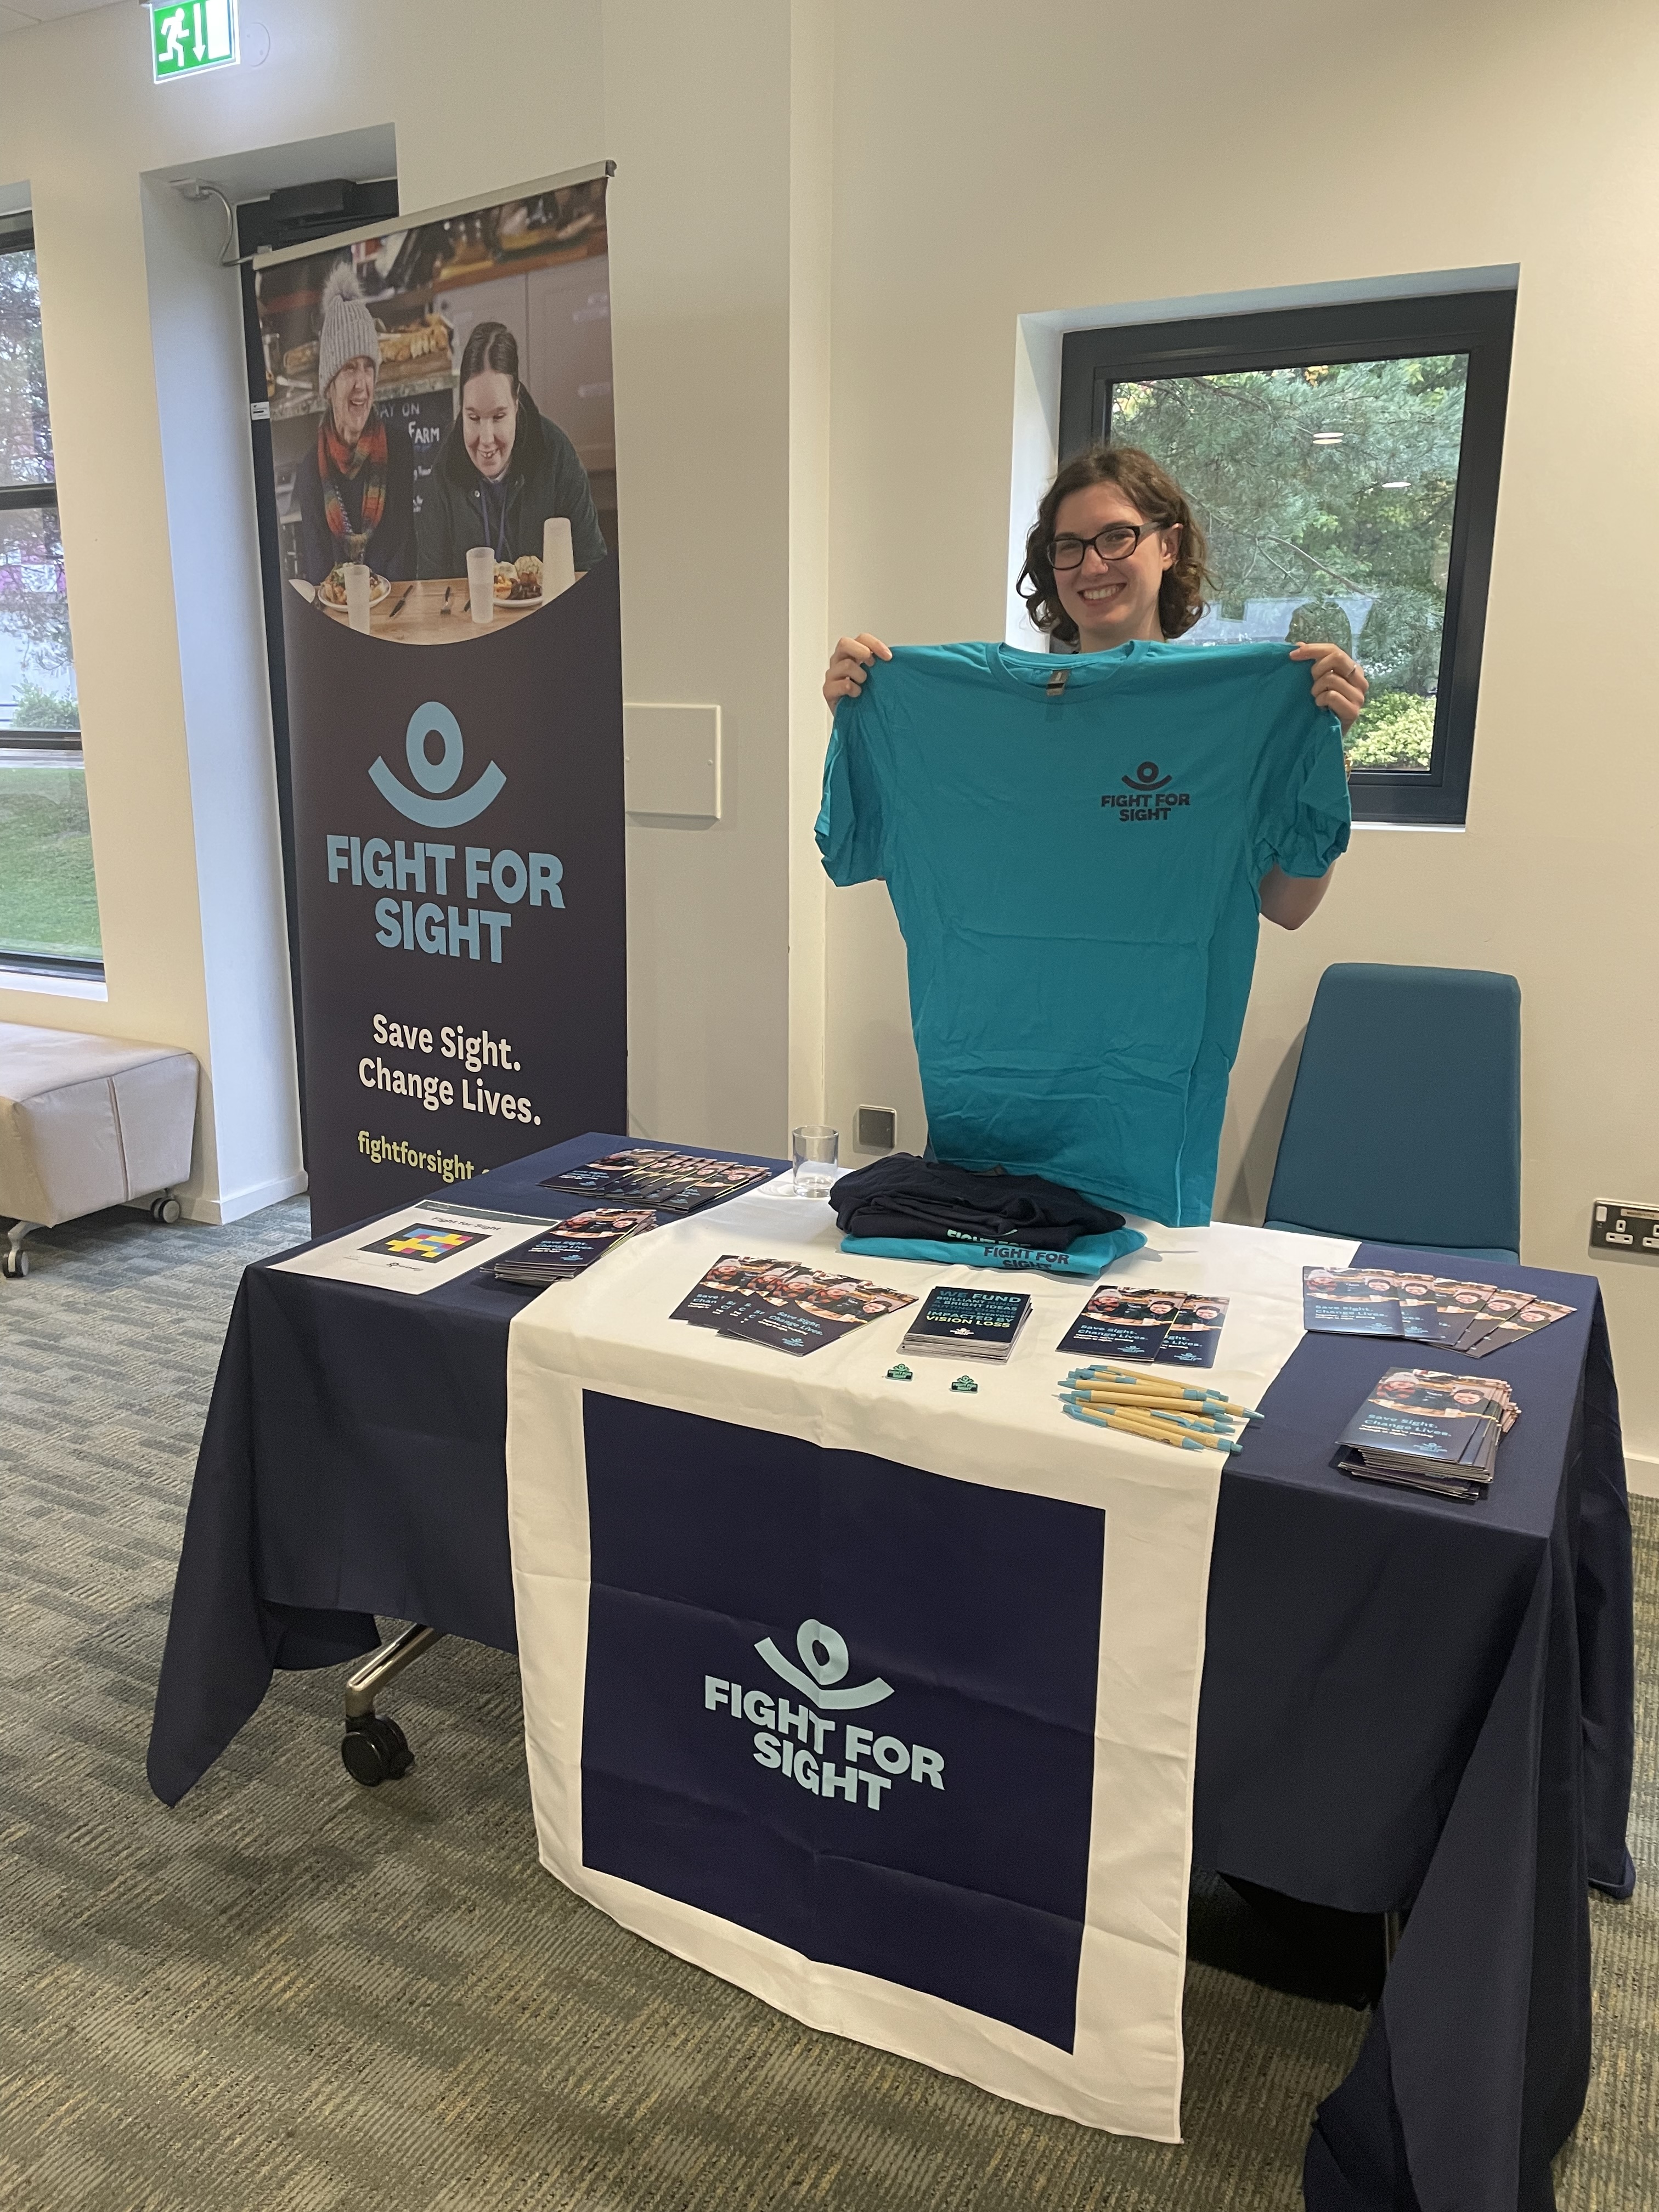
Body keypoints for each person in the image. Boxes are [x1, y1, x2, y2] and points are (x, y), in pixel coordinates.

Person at [822, 444, 1368, 930]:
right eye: (1069, 546)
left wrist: (1321, 743)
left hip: (1161, 1040)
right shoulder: (997, 718)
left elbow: (1287, 908)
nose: (1092, 564)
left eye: (1117, 537)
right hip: (1001, 1036)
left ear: (1169, 546)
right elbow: (925, 861)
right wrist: (869, 722)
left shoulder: (1231, 721)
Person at [417, 320, 607, 580]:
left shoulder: (557, 455)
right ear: (461, 407)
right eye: (473, 418)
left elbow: (592, 566)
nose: (486, 440)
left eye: (498, 417)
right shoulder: (445, 467)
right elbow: (430, 585)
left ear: (516, 403)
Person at [298, 263, 416, 584]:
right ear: (329, 385)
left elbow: (403, 560)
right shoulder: (310, 473)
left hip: (393, 609)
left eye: (368, 368)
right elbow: (319, 575)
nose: (362, 384)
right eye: (349, 369)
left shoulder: (400, 449)